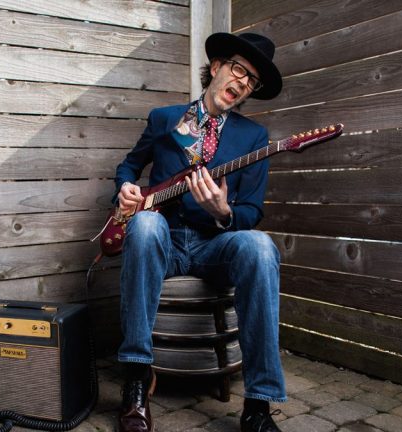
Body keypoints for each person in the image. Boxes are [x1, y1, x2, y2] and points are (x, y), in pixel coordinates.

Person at [113, 32, 286, 432]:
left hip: (215, 247)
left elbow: (251, 211)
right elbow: (129, 166)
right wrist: (125, 188)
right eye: (239, 69)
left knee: (260, 247)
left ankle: (259, 406)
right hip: (164, 241)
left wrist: (224, 212)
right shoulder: (164, 119)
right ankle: (136, 377)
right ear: (218, 67)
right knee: (145, 223)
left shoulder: (254, 137)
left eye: (252, 80)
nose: (243, 82)